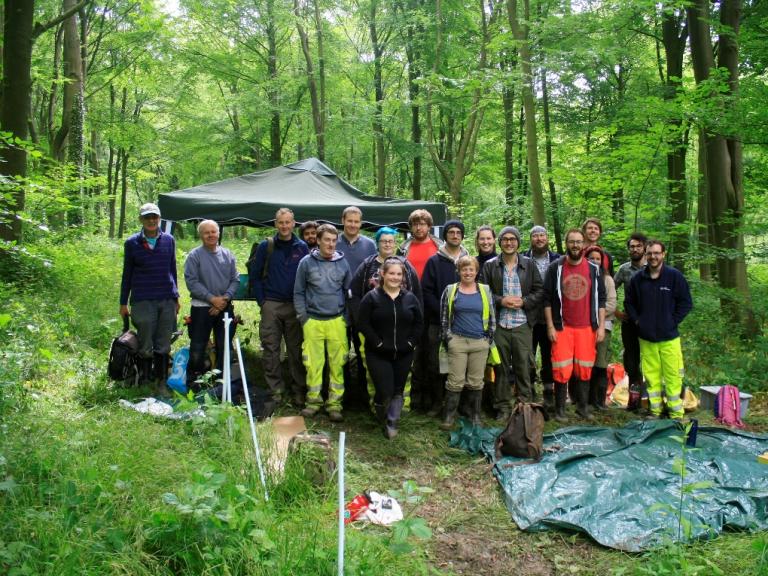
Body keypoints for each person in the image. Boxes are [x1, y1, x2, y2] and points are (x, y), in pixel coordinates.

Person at [349, 227, 422, 409]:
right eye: (383, 241)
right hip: (373, 328)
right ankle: (378, 406)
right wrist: (362, 320)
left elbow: (417, 297)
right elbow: (354, 294)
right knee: (373, 370)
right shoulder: (367, 266)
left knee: (404, 371)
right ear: (378, 243)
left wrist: (414, 330)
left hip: (402, 328)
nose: (387, 244)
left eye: (390, 241)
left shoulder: (406, 266)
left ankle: (400, 408)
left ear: (395, 243)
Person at [480, 225, 544, 419]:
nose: (509, 242)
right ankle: (503, 407)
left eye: (512, 239)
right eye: (505, 239)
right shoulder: (490, 265)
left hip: (522, 324)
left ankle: (524, 406)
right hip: (499, 324)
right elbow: (483, 291)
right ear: (499, 243)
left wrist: (524, 302)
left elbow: (540, 290)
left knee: (523, 367)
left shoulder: (529, 264)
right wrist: (501, 300)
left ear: (518, 242)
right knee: (500, 368)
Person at [543, 228, 606, 422]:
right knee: (561, 369)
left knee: (585, 368)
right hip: (562, 327)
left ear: (583, 244)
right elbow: (547, 299)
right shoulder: (556, 267)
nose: (576, 245)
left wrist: (601, 326)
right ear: (566, 243)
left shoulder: (594, 269)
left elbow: (601, 299)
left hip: (587, 327)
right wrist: (550, 326)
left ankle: (582, 407)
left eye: (579, 242)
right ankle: (560, 410)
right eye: (572, 241)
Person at [624, 240, 692, 419]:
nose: (653, 257)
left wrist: (672, 321)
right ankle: (655, 410)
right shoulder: (638, 279)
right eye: (650, 253)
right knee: (652, 377)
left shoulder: (674, 276)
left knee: (673, 376)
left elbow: (686, 303)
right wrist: (638, 321)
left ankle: (676, 412)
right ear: (645, 255)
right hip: (646, 338)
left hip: (669, 338)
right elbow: (628, 302)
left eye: (656, 253)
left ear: (664, 254)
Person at [357, 258, 423, 438]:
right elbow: (363, 323)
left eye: (399, 274)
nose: (395, 277)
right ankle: (380, 412)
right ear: (383, 274)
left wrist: (410, 343)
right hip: (378, 352)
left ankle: (393, 422)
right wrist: (377, 342)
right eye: (391, 273)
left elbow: (419, 324)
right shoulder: (371, 297)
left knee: (398, 389)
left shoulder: (410, 298)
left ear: (403, 277)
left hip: (403, 352)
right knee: (384, 390)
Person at [249, 208, 309, 406]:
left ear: (294, 223)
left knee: (296, 350)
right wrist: (262, 301)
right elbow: (255, 276)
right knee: (271, 349)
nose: (284, 226)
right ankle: (275, 390)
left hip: (294, 305)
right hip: (271, 304)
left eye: (288, 222)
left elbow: (308, 277)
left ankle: (298, 390)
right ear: (276, 224)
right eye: (281, 222)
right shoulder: (266, 246)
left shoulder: (302, 247)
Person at [294, 223, 352, 422]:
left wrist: (346, 318)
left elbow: (348, 292)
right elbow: (298, 292)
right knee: (313, 364)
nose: (330, 244)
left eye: (334, 240)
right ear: (318, 241)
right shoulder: (306, 263)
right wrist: (304, 318)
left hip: (336, 321)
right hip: (313, 321)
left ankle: (335, 405)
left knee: (338, 364)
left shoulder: (343, 263)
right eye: (326, 240)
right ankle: (313, 402)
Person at [119, 202, 180, 389]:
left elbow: (172, 270)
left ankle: (161, 382)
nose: (151, 221)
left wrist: (176, 297)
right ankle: (144, 380)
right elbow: (127, 273)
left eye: (154, 217)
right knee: (145, 342)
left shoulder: (169, 240)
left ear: (159, 219)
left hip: (166, 298)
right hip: (142, 299)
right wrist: (123, 303)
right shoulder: (132, 243)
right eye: (147, 217)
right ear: (141, 220)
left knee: (164, 342)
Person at [439, 256, 496, 430]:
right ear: (459, 271)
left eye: (471, 269)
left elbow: (492, 315)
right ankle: (449, 416)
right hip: (458, 341)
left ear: (476, 271)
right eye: (464, 269)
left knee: (476, 381)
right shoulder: (451, 290)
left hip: (480, 341)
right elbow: (444, 317)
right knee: (455, 381)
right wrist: (448, 338)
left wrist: (488, 339)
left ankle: (475, 415)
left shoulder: (485, 290)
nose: (468, 272)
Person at [184, 220, 240, 388]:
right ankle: (195, 383)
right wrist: (212, 299)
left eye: (213, 232)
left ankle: (222, 385)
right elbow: (191, 282)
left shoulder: (228, 254)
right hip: (202, 309)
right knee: (198, 346)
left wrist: (224, 300)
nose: (210, 235)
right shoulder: (194, 256)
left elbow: (235, 279)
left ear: (218, 233)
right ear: (200, 235)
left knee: (225, 346)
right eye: (206, 232)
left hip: (225, 307)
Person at [421, 219, 469, 415]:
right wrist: (443, 312)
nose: (455, 235)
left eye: (458, 232)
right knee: (435, 364)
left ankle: (457, 405)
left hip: (464, 323)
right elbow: (426, 291)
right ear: (445, 235)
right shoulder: (434, 261)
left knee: (460, 364)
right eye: (451, 232)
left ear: (462, 236)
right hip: (437, 321)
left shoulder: (468, 260)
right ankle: (436, 403)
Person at [398, 209, 442, 411]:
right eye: (415, 224)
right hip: (409, 306)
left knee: (432, 354)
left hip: (433, 307)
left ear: (429, 226)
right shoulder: (403, 249)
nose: (419, 227)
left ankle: (433, 397)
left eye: (423, 223)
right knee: (413, 353)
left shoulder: (439, 246)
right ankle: (414, 398)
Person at [337, 206, 377, 411]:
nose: (353, 225)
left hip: (363, 309)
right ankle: (342, 396)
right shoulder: (332, 242)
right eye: (349, 220)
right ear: (342, 220)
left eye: (356, 221)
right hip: (337, 308)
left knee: (364, 354)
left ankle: (363, 395)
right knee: (340, 354)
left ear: (361, 223)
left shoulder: (370, 245)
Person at [521, 225, 560, 411]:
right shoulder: (522, 258)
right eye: (535, 235)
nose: (539, 238)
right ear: (531, 239)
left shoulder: (557, 259)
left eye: (542, 235)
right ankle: (529, 392)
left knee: (549, 356)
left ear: (547, 238)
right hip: (528, 314)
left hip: (551, 317)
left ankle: (548, 392)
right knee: (527, 355)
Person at [614, 232, 648, 404]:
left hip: (650, 322)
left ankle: (649, 395)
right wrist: (616, 312)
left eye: (638, 246)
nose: (635, 249)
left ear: (645, 248)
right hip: (629, 321)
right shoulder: (624, 269)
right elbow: (609, 290)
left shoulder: (653, 266)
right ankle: (634, 396)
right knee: (631, 359)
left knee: (650, 358)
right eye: (632, 246)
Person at [584, 246, 616, 411]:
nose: (595, 261)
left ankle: (599, 400)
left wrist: (595, 314)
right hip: (584, 327)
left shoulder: (607, 279)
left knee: (600, 363)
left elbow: (611, 304)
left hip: (604, 326)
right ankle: (585, 400)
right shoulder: (583, 277)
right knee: (585, 363)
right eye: (591, 258)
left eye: (598, 258)